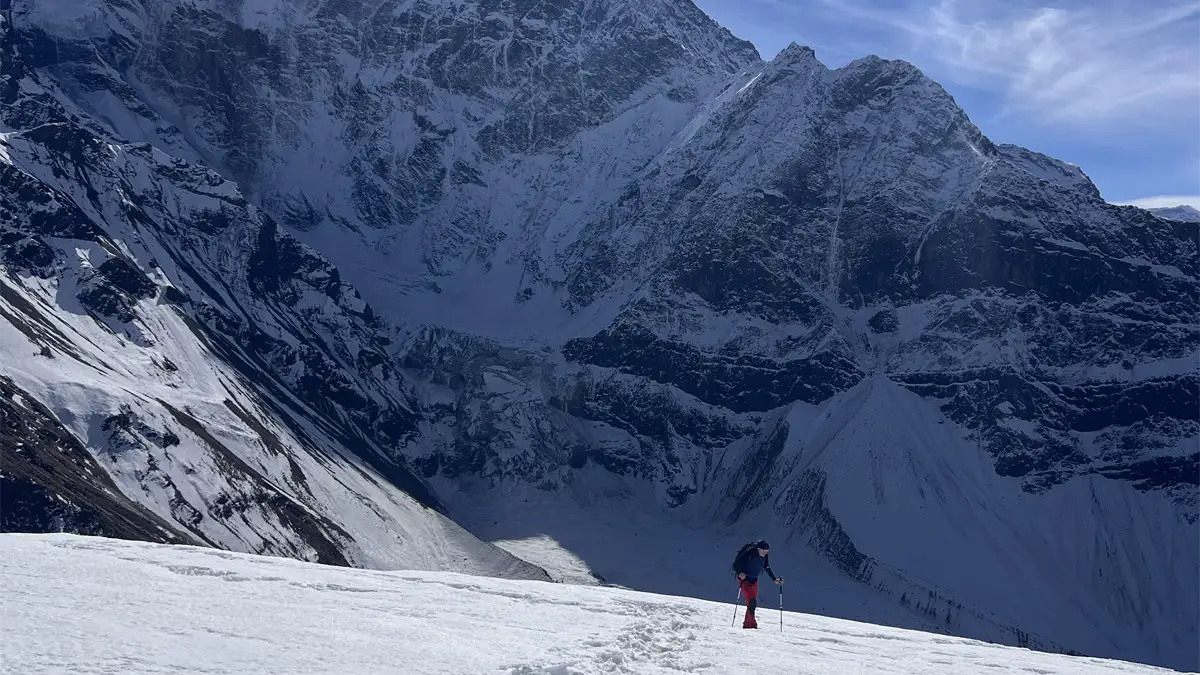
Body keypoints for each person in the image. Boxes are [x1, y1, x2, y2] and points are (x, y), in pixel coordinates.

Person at [731, 539, 784, 629]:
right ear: (758, 549)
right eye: (763, 551)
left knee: (751, 603)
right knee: (752, 601)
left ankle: (747, 624)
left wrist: (774, 579)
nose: (765, 553)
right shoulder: (749, 553)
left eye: (767, 551)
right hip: (744, 580)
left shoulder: (764, 556)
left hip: (754, 580)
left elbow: (767, 567)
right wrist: (739, 573)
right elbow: (735, 565)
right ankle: (751, 624)